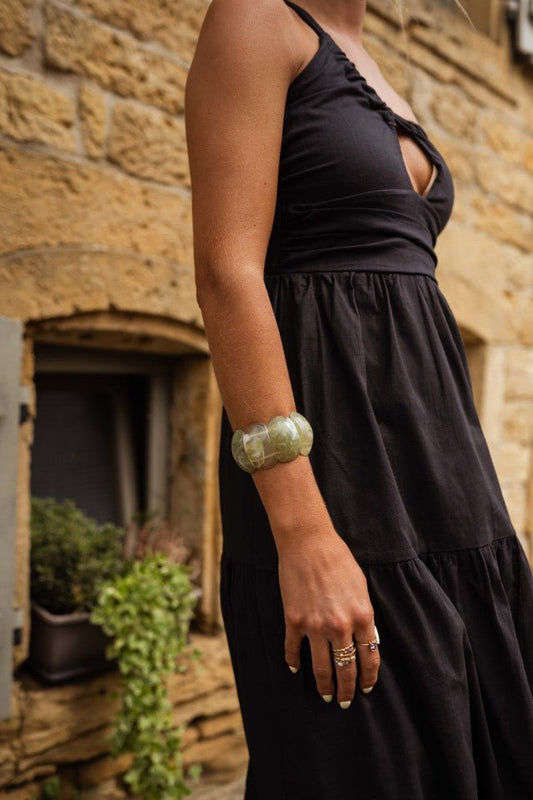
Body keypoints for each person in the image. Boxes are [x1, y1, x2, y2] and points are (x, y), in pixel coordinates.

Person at [184, 1, 533, 797]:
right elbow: (226, 276)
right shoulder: (256, 18)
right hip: (338, 480)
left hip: (443, 480)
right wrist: (303, 534)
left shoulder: (367, 56)